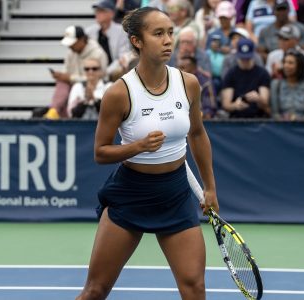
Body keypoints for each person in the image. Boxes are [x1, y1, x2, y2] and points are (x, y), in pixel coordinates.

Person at [76, 7, 219, 300]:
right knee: (95, 291)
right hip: (132, 193)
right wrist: (137, 146)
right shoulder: (119, 92)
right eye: (158, 34)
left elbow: (197, 134)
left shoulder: (188, 83)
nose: (168, 40)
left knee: (195, 288)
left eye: (170, 32)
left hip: (176, 194)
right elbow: (101, 153)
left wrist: (210, 188)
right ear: (136, 41)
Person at [42, 25, 108, 119]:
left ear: (82, 40)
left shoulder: (98, 53)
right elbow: (66, 74)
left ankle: (55, 112)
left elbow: (99, 77)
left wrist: (70, 78)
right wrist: (63, 77)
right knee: (62, 82)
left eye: (72, 43)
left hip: (96, 87)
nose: (70, 46)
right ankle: (53, 111)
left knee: (66, 84)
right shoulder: (71, 53)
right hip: (75, 87)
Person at [221, 38, 271, 118]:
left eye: (247, 58)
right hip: (236, 119)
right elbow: (226, 104)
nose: (245, 61)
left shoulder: (262, 73)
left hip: (258, 118)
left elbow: (266, 102)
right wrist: (235, 105)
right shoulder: (231, 74)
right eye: (242, 58)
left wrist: (258, 98)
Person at [86, 0, 132, 82]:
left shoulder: (121, 31)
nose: (97, 14)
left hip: (113, 72)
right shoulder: (89, 32)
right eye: (97, 11)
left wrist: (105, 72)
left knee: (122, 66)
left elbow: (122, 56)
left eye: (101, 11)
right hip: (92, 70)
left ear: (111, 14)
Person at [270, 49, 304, 121]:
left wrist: (298, 120)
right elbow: (275, 114)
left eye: (290, 63)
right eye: (284, 62)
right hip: (281, 127)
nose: (286, 66)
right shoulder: (276, 85)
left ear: (300, 65)